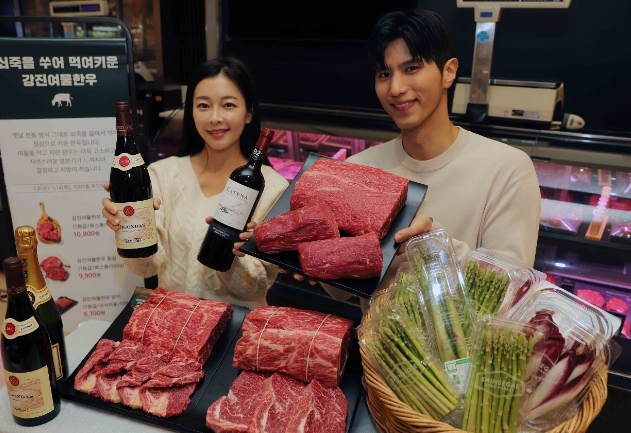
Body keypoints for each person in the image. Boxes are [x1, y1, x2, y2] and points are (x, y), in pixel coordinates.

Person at [287, 9, 541, 302]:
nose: (396, 88)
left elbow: (510, 293)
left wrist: (435, 245)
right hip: (372, 346)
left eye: (411, 68)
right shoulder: (357, 171)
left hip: (465, 348)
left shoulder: (506, 168)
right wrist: (306, 258)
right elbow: (343, 291)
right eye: (385, 74)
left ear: (448, 72)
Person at [102, 57, 289, 308]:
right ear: (191, 112)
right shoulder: (162, 174)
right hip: (174, 330)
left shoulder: (275, 189)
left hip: (238, 336)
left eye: (228, 105)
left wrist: (232, 253)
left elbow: (256, 285)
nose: (214, 118)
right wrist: (129, 229)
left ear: (248, 113)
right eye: (203, 105)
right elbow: (146, 266)